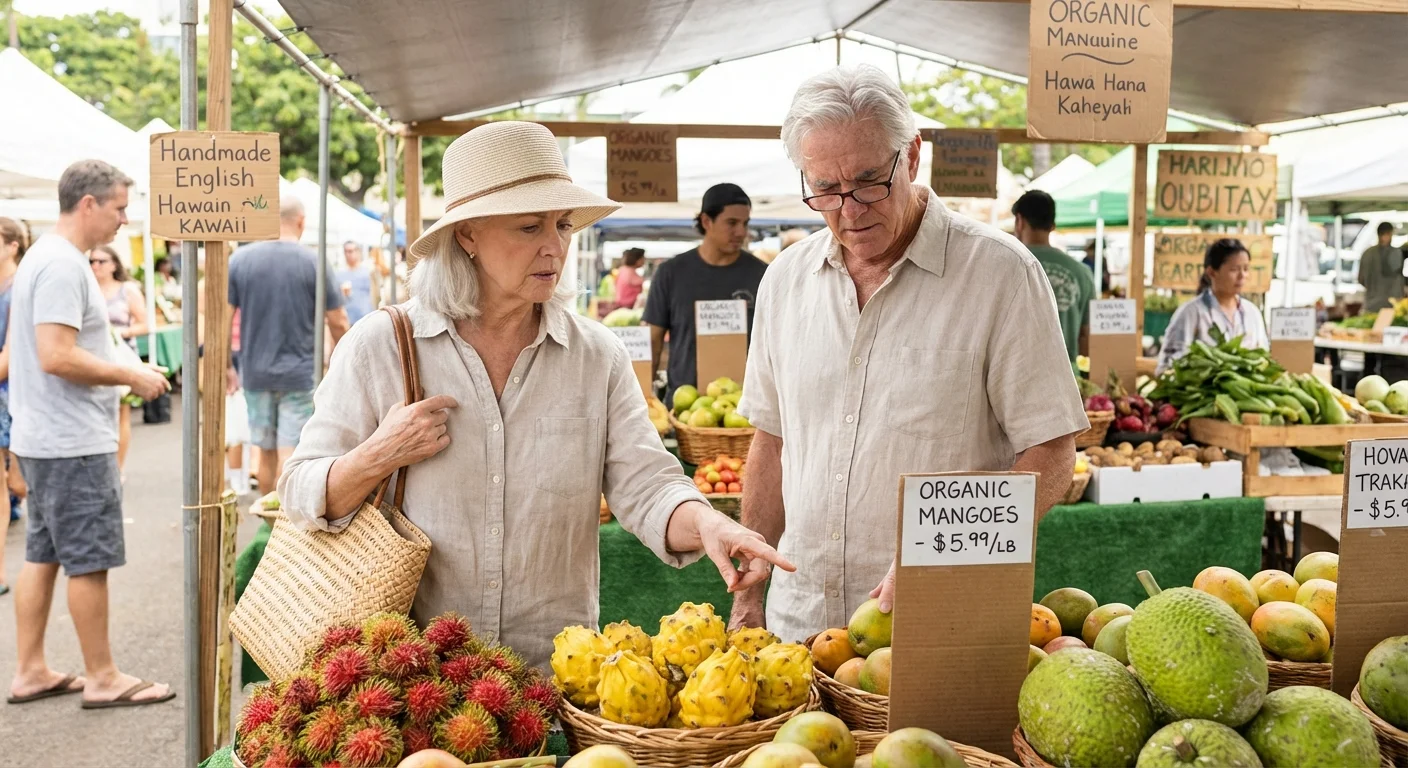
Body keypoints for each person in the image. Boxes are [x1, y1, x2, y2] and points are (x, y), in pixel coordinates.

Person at [279, 122, 792, 667]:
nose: (555, 247)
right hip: (418, 684)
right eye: (529, 227)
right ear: (467, 235)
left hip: (554, 681)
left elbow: (647, 486)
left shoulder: (596, 357)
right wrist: (378, 454)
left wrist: (708, 520)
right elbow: (300, 491)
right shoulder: (381, 345)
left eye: (564, 225)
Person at [726, 65, 1087, 641]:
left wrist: (950, 554)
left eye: (870, 181)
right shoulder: (785, 280)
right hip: (797, 632)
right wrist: (751, 597)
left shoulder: (1001, 274)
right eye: (824, 188)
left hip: (939, 630)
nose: (849, 209)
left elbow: (1052, 451)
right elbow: (771, 441)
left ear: (912, 156)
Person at [7, 159, 173, 708]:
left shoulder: (43, 259)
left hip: (44, 436)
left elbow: (24, 353)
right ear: (88, 204)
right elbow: (56, 356)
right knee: (88, 559)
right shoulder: (62, 265)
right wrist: (131, 373)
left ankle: (31, 669)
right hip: (72, 440)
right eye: (120, 207)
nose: (125, 220)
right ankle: (102, 677)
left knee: (44, 554)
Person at [227, 198, 350, 496]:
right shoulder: (313, 262)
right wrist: (339, 361)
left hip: (254, 372)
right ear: (301, 221)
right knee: (292, 453)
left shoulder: (241, 260)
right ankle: (286, 530)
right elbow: (338, 321)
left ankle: (267, 530)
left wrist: (226, 367)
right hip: (299, 374)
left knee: (265, 451)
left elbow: (221, 319)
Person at [644, 183, 768, 400]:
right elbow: (653, 339)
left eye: (745, 223)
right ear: (706, 221)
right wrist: (645, 397)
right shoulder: (670, 273)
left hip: (746, 408)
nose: (741, 232)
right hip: (684, 406)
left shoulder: (763, 274)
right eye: (732, 223)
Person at [1156, 238, 1269, 375]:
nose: (1242, 276)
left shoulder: (1252, 313)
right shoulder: (1191, 312)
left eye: (1246, 269)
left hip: (1245, 394)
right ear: (1211, 272)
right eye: (1234, 269)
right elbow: (1167, 366)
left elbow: (1263, 358)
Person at [1012, 190, 1094, 362]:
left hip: (1017, 377)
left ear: (1019, 221)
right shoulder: (1082, 272)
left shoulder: (1005, 267)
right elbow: (1087, 337)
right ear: (1052, 225)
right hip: (1068, 377)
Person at [89, 245, 149, 475]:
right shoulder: (89, 287)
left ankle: (117, 467)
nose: (95, 266)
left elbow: (144, 324)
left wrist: (120, 333)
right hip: (95, 356)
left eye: (101, 261)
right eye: (92, 261)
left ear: (114, 264)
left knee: (121, 412)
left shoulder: (127, 290)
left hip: (121, 355)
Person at [0, 217, 28, 598]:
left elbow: (10, 355)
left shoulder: (18, 287)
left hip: (13, 396)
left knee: (16, 483)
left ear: (12, 245)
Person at [1359, 222, 1404, 313]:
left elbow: (1361, 279)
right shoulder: (1395, 253)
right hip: (1390, 306)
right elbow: (1399, 279)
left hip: (1370, 304)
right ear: (1388, 233)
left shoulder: (1367, 253)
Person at [336, 241, 375, 325]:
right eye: (345, 251)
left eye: (350, 251)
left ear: (357, 252)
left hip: (366, 320)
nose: (348, 254)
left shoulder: (368, 272)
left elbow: (375, 296)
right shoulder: (339, 275)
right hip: (348, 321)